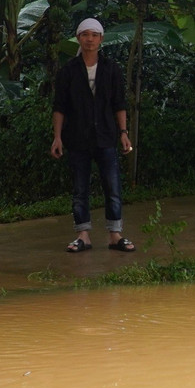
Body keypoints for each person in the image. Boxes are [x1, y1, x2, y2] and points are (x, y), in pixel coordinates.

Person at [50, 17, 136, 252]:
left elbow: (119, 103)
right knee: (80, 188)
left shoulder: (111, 69)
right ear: (78, 38)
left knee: (113, 186)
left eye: (94, 35)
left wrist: (123, 133)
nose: (89, 39)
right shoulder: (68, 71)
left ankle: (115, 235)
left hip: (106, 136)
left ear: (101, 39)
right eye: (85, 34)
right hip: (77, 137)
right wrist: (57, 137)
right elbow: (60, 107)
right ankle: (83, 235)